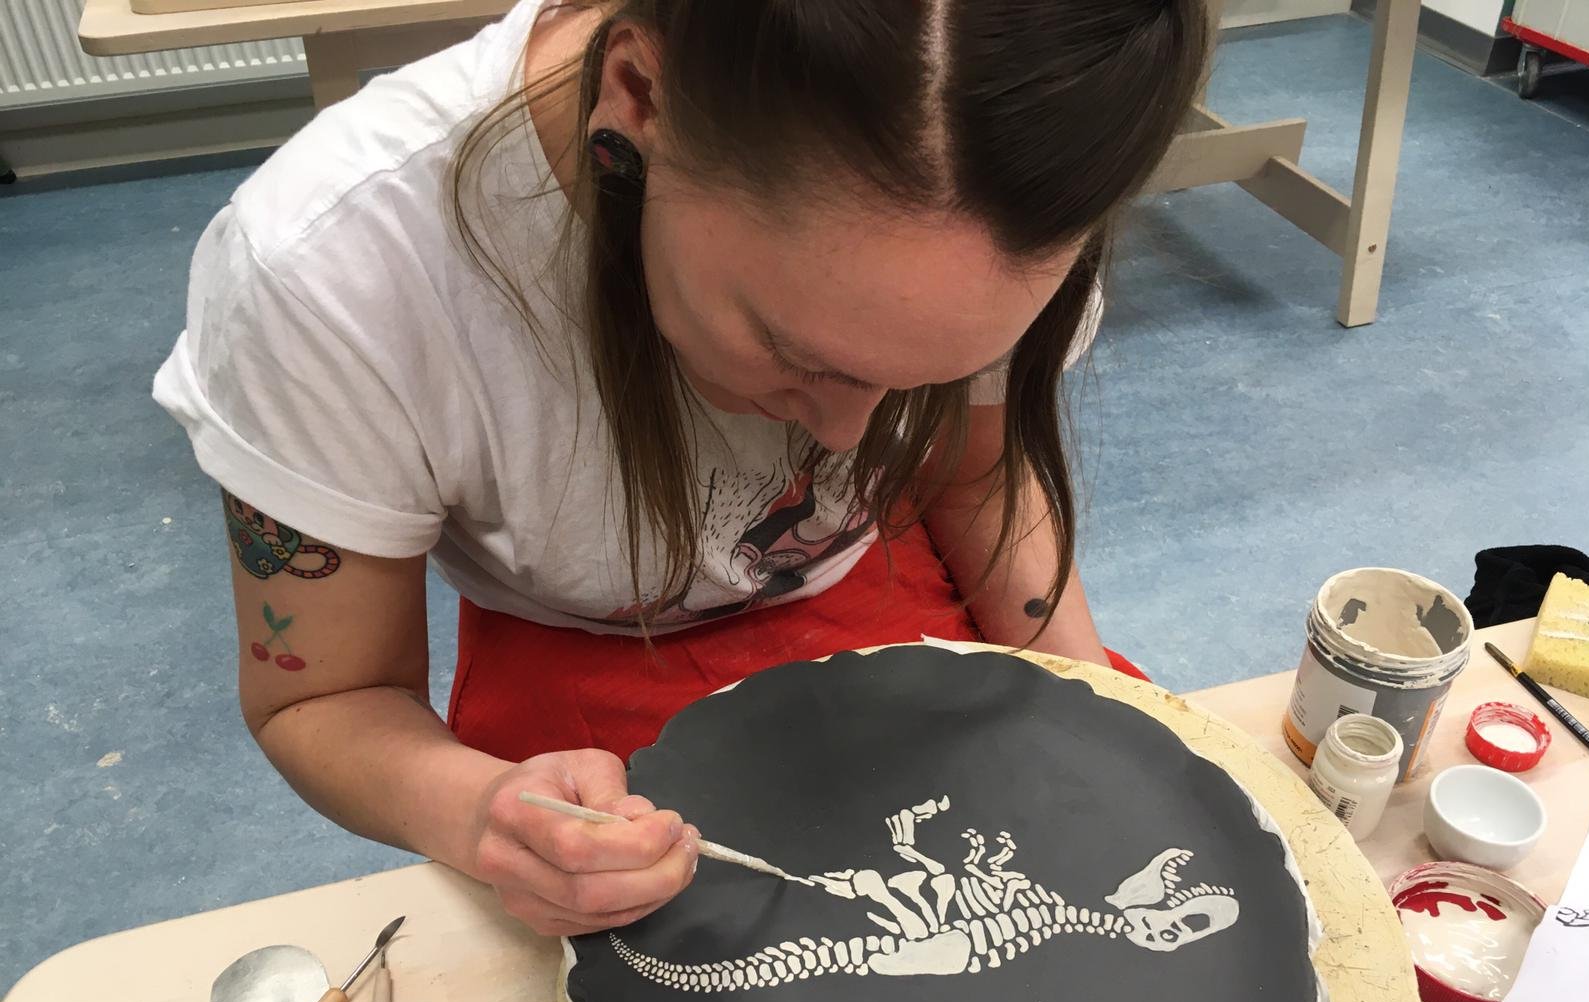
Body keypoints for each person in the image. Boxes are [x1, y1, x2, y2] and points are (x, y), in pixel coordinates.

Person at [155, 0, 1209, 938]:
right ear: (638, 94)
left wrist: (1088, 701)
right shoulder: (330, 271)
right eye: (799, 354)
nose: (852, 439)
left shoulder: (1021, 169)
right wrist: (482, 814)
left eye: (928, 377)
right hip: (575, 650)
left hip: (875, 589)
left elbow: (972, 477)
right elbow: (322, 699)